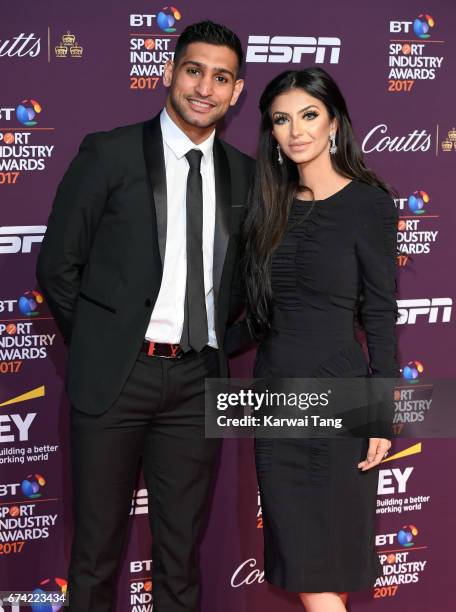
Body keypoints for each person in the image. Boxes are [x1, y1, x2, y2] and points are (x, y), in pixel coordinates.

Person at [36, 20, 254, 612]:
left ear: (237, 92)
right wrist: (105, 344)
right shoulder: (108, 153)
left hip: (196, 384)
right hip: (115, 378)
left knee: (180, 559)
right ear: (169, 72)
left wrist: (218, 343)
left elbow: (255, 286)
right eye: (194, 70)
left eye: (221, 77)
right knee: (95, 556)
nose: (205, 87)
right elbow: (58, 266)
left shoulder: (248, 175)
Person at [242, 68, 398, 611]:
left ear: (334, 121)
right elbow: (254, 312)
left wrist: (380, 412)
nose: (296, 130)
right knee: (305, 560)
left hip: (338, 394)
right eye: (282, 119)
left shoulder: (369, 203)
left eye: (309, 115)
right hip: (275, 394)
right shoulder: (266, 202)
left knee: (320, 566)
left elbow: (380, 312)